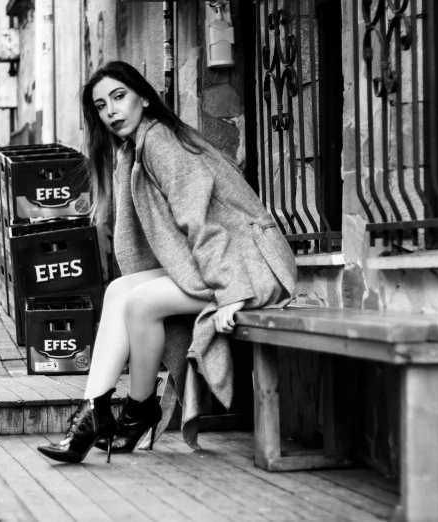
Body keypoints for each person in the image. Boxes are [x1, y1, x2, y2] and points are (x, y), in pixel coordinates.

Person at [37, 61, 297, 464]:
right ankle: (93, 412)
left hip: (250, 265)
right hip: (221, 261)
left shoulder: (160, 142)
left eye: (119, 97)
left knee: (141, 303)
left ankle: (138, 412)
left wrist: (232, 292)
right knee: (119, 290)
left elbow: (202, 222)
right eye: (102, 105)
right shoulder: (134, 148)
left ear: (143, 96)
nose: (111, 111)